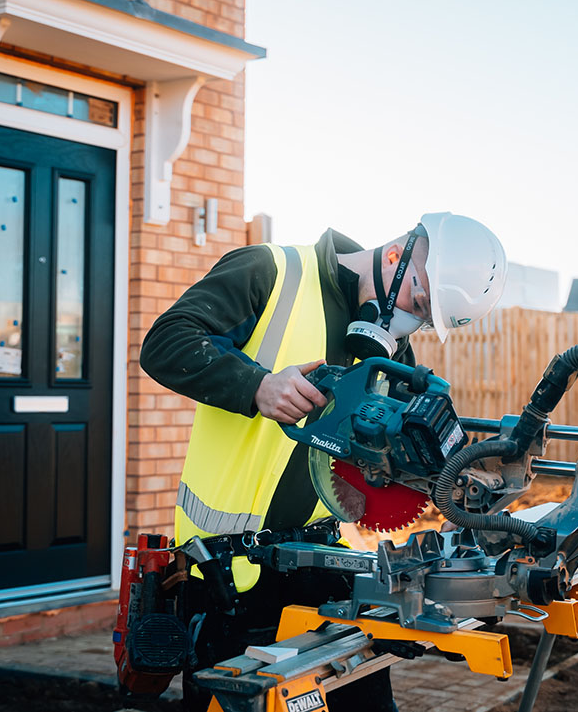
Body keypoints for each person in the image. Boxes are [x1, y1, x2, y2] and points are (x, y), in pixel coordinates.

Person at [139, 212, 507, 711]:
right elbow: (167, 341)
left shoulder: (393, 352)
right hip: (227, 573)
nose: (409, 323)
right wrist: (257, 385)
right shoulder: (272, 273)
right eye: (416, 304)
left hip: (323, 563)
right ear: (397, 256)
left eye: (424, 319)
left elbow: (392, 469)